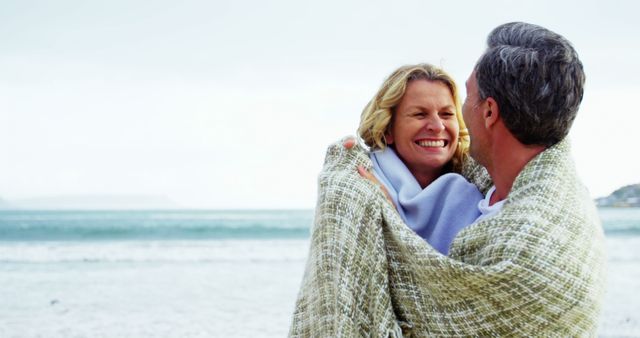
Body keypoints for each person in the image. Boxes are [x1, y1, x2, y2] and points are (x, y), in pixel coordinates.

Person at [289, 22, 606, 337]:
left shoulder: (535, 237)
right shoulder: (490, 185)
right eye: (420, 114)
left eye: (464, 99)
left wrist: (391, 223)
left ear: (489, 112)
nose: (442, 125)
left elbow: (446, 311)